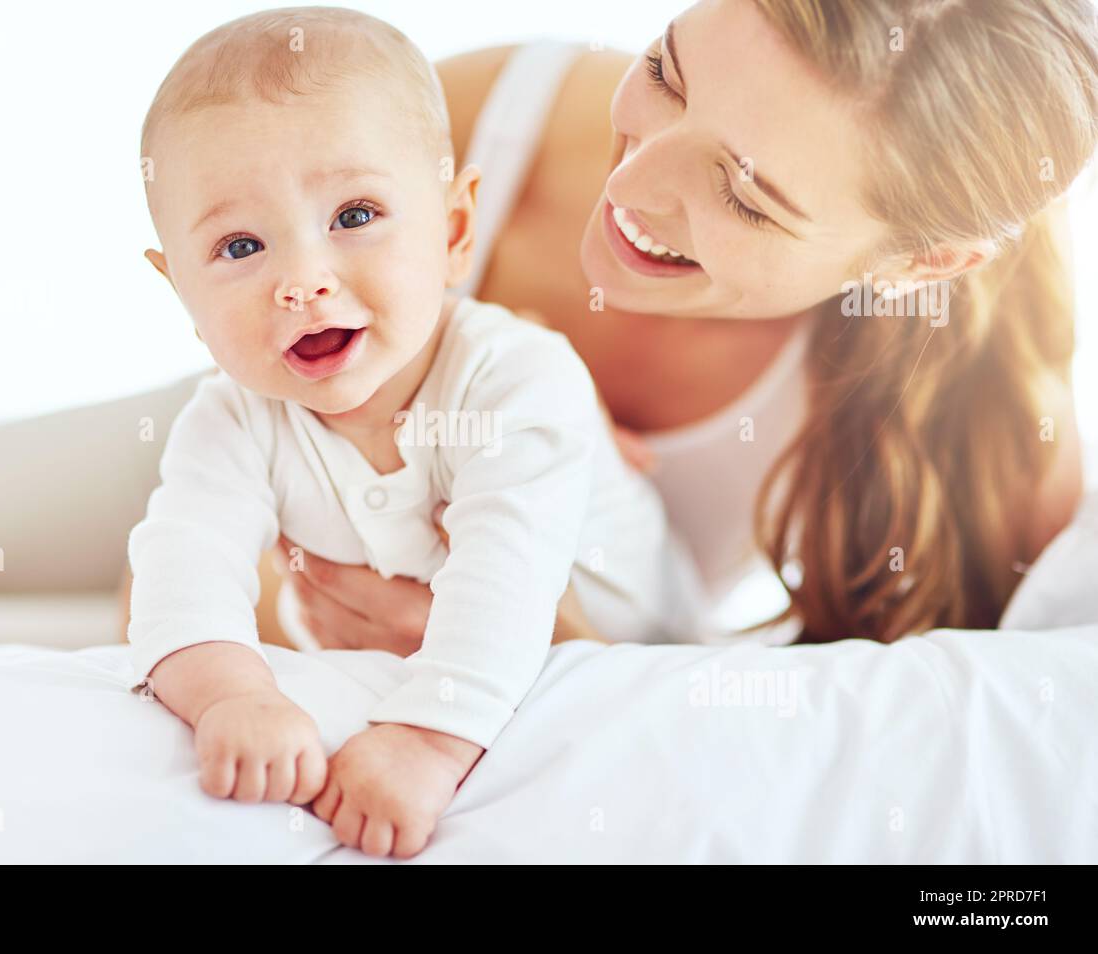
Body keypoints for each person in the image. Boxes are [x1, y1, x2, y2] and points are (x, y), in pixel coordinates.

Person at [0, 1, 1091, 712]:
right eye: (665, 72)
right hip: (252, 457)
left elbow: (828, 720)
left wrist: (543, 633)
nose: (632, 185)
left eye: (749, 196)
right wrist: (231, 548)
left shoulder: (980, 433)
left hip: (359, 632)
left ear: (918, 262)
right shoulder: (506, 110)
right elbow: (242, 276)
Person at [127, 6, 707, 859]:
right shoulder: (231, 416)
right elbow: (182, 567)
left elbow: (505, 590)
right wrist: (230, 696)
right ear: (180, 292)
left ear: (455, 231)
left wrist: (428, 740)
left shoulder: (517, 381)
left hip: (626, 644)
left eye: (354, 216)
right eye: (241, 245)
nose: (303, 281)